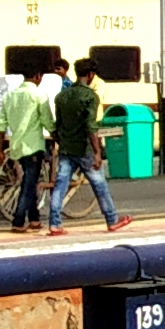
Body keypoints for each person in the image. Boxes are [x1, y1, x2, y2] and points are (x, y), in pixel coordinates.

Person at [47, 58, 132, 235]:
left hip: (66, 149)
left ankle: (54, 223)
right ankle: (111, 219)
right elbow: (91, 126)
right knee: (99, 184)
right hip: (84, 149)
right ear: (91, 75)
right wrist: (97, 151)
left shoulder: (61, 96)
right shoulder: (89, 96)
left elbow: (58, 124)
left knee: (60, 185)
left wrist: (62, 142)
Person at [0, 61, 52, 233]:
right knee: (29, 185)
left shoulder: (10, 96)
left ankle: (34, 219)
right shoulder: (39, 94)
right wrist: (56, 133)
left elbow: (0, 125)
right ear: (38, 77)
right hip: (33, 146)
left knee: (30, 181)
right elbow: (47, 121)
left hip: (17, 146)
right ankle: (19, 219)